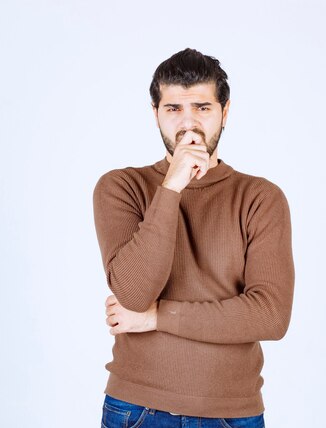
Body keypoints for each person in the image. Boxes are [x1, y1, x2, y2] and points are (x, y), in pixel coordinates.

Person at [93, 48, 295, 428]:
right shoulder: (121, 187)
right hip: (138, 411)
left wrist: (156, 317)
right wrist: (171, 187)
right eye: (173, 110)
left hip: (233, 415)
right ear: (155, 114)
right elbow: (134, 293)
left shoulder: (260, 198)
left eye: (202, 108)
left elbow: (270, 315)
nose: (189, 123)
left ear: (225, 112)